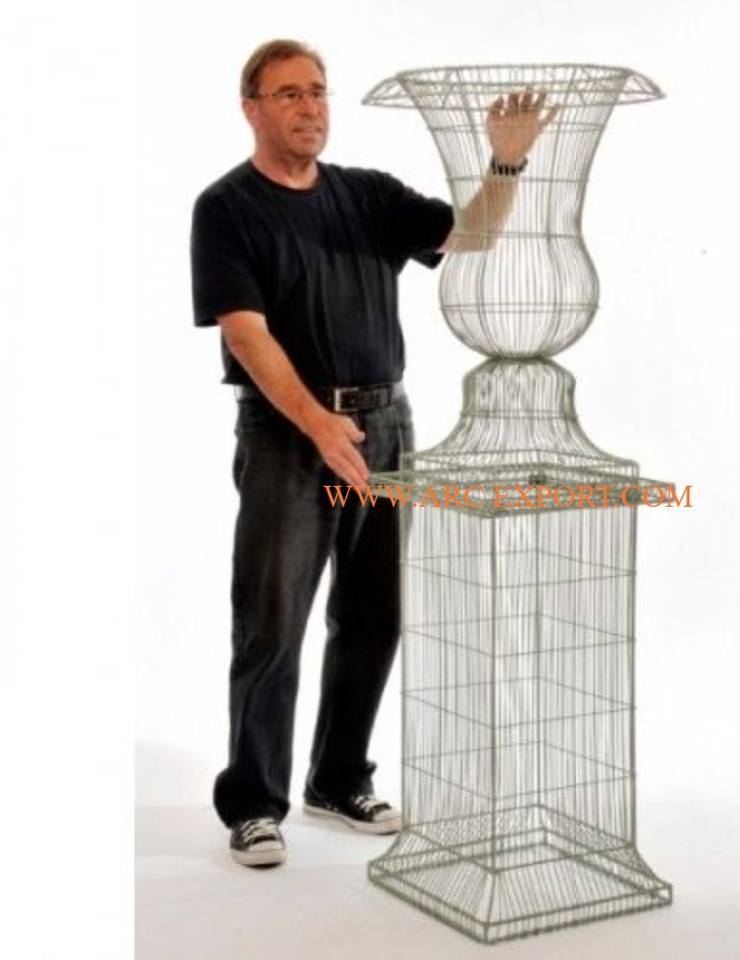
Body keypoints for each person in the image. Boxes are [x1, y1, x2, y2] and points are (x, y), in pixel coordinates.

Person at [190, 39, 556, 868]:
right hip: (288, 436)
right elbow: (244, 332)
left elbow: (471, 236)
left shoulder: (367, 195)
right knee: (272, 621)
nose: (309, 107)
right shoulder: (227, 208)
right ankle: (254, 804)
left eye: (318, 91)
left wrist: (504, 163)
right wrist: (319, 423)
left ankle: (337, 779)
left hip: (386, 428)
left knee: (375, 614)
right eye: (289, 93)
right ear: (252, 108)